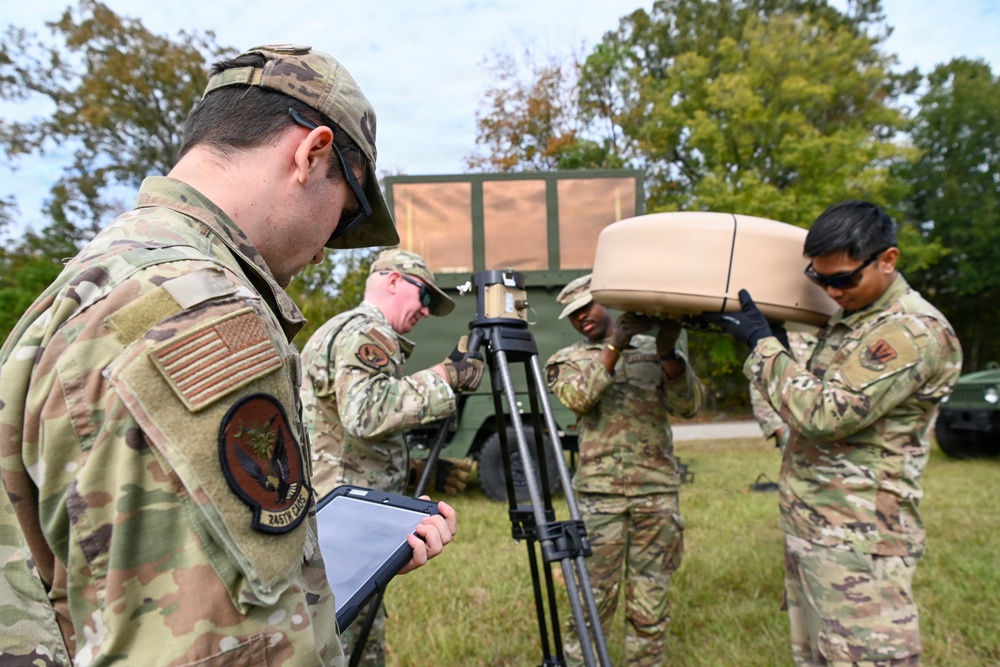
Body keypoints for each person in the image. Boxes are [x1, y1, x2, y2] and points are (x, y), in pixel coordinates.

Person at [0, 45, 457, 666]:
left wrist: (309, 574)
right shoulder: (203, 316)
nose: (324, 250)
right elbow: (227, 647)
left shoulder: (89, 283)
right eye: (345, 217)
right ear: (311, 153)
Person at [704, 200, 962, 666]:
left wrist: (763, 346)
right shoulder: (851, 320)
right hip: (817, 526)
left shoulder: (910, 330)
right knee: (818, 656)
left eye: (843, 279)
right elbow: (813, 391)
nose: (831, 291)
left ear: (888, 259)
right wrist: (783, 347)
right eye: (819, 279)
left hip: (860, 538)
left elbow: (824, 415)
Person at [300, 247, 483, 665]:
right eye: (425, 295)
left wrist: (414, 471)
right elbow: (365, 412)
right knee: (346, 637)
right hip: (347, 524)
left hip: (334, 513)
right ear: (394, 281)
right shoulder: (368, 331)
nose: (427, 310)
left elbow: (335, 433)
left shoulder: (340, 328)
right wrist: (444, 378)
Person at [544, 274, 705, 667]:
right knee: (591, 602)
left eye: (588, 307)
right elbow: (578, 399)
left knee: (650, 604)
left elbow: (689, 407)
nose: (582, 317)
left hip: (657, 493)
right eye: (574, 314)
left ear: (607, 303)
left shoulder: (654, 350)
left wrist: (668, 353)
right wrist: (616, 344)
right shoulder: (566, 361)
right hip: (600, 497)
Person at [749, 329, 817, 448]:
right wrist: (780, 431)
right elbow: (761, 384)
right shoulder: (784, 337)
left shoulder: (840, 337)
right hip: (794, 433)